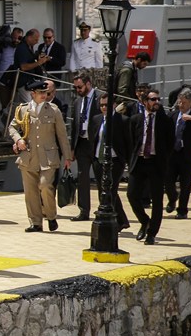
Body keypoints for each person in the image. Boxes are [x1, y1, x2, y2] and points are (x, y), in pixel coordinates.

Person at [8, 80, 72, 233]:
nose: (44, 95)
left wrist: (67, 157)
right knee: (30, 191)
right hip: (28, 157)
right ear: (33, 94)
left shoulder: (54, 110)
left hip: (48, 157)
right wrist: (18, 140)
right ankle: (35, 222)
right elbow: (12, 127)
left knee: (45, 185)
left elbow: (62, 135)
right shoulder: (23, 109)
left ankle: (51, 216)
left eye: (46, 92)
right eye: (41, 93)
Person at [125, 90, 172, 245]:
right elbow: (131, 142)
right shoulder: (135, 119)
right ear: (145, 102)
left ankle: (152, 233)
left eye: (158, 99)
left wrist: (164, 160)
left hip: (156, 163)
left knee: (157, 199)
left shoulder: (165, 120)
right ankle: (145, 221)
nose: (156, 102)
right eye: (153, 99)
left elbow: (170, 143)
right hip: (139, 161)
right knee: (132, 195)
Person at [91, 94, 131, 231]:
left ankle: (110, 220)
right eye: (101, 105)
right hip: (99, 159)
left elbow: (128, 142)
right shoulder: (96, 119)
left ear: (114, 105)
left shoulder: (122, 120)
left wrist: (127, 161)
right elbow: (94, 138)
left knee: (111, 190)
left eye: (106, 105)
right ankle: (122, 220)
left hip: (115, 161)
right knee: (103, 190)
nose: (104, 108)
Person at [68, 71, 101, 221]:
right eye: (75, 87)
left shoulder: (100, 98)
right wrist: (72, 148)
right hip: (81, 143)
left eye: (80, 87)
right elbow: (74, 126)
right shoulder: (77, 102)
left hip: (96, 143)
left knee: (101, 177)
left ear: (88, 84)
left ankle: (103, 208)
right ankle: (84, 210)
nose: (78, 90)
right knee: (82, 178)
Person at [166, 89, 191, 220]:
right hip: (172, 154)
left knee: (185, 184)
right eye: (179, 102)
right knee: (168, 180)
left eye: (184, 103)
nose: (181, 105)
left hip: (187, 155)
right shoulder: (172, 115)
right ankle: (172, 198)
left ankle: (182, 210)